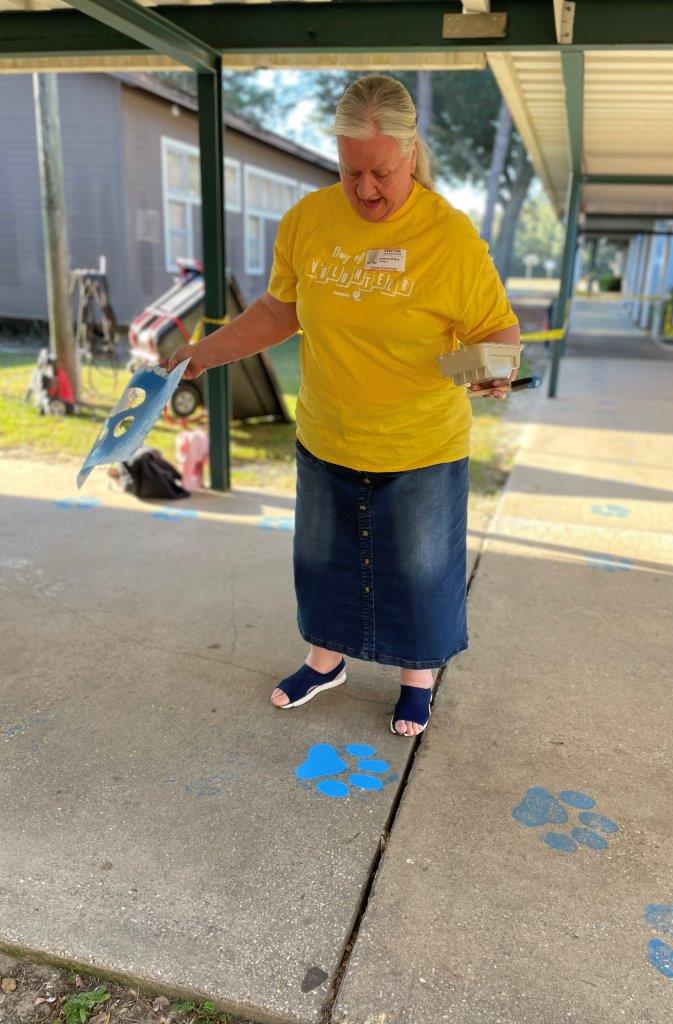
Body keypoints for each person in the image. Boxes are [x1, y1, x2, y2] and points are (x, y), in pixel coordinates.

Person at [161, 75, 520, 738]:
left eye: (381, 172)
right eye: (350, 172)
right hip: (328, 432)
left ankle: (418, 679)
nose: (366, 191)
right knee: (325, 559)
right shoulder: (308, 221)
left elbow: (498, 335)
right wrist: (201, 354)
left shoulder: (450, 237)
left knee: (419, 569)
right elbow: (278, 311)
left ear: (411, 154)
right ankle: (325, 663)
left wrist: (486, 373)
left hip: (420, 444)